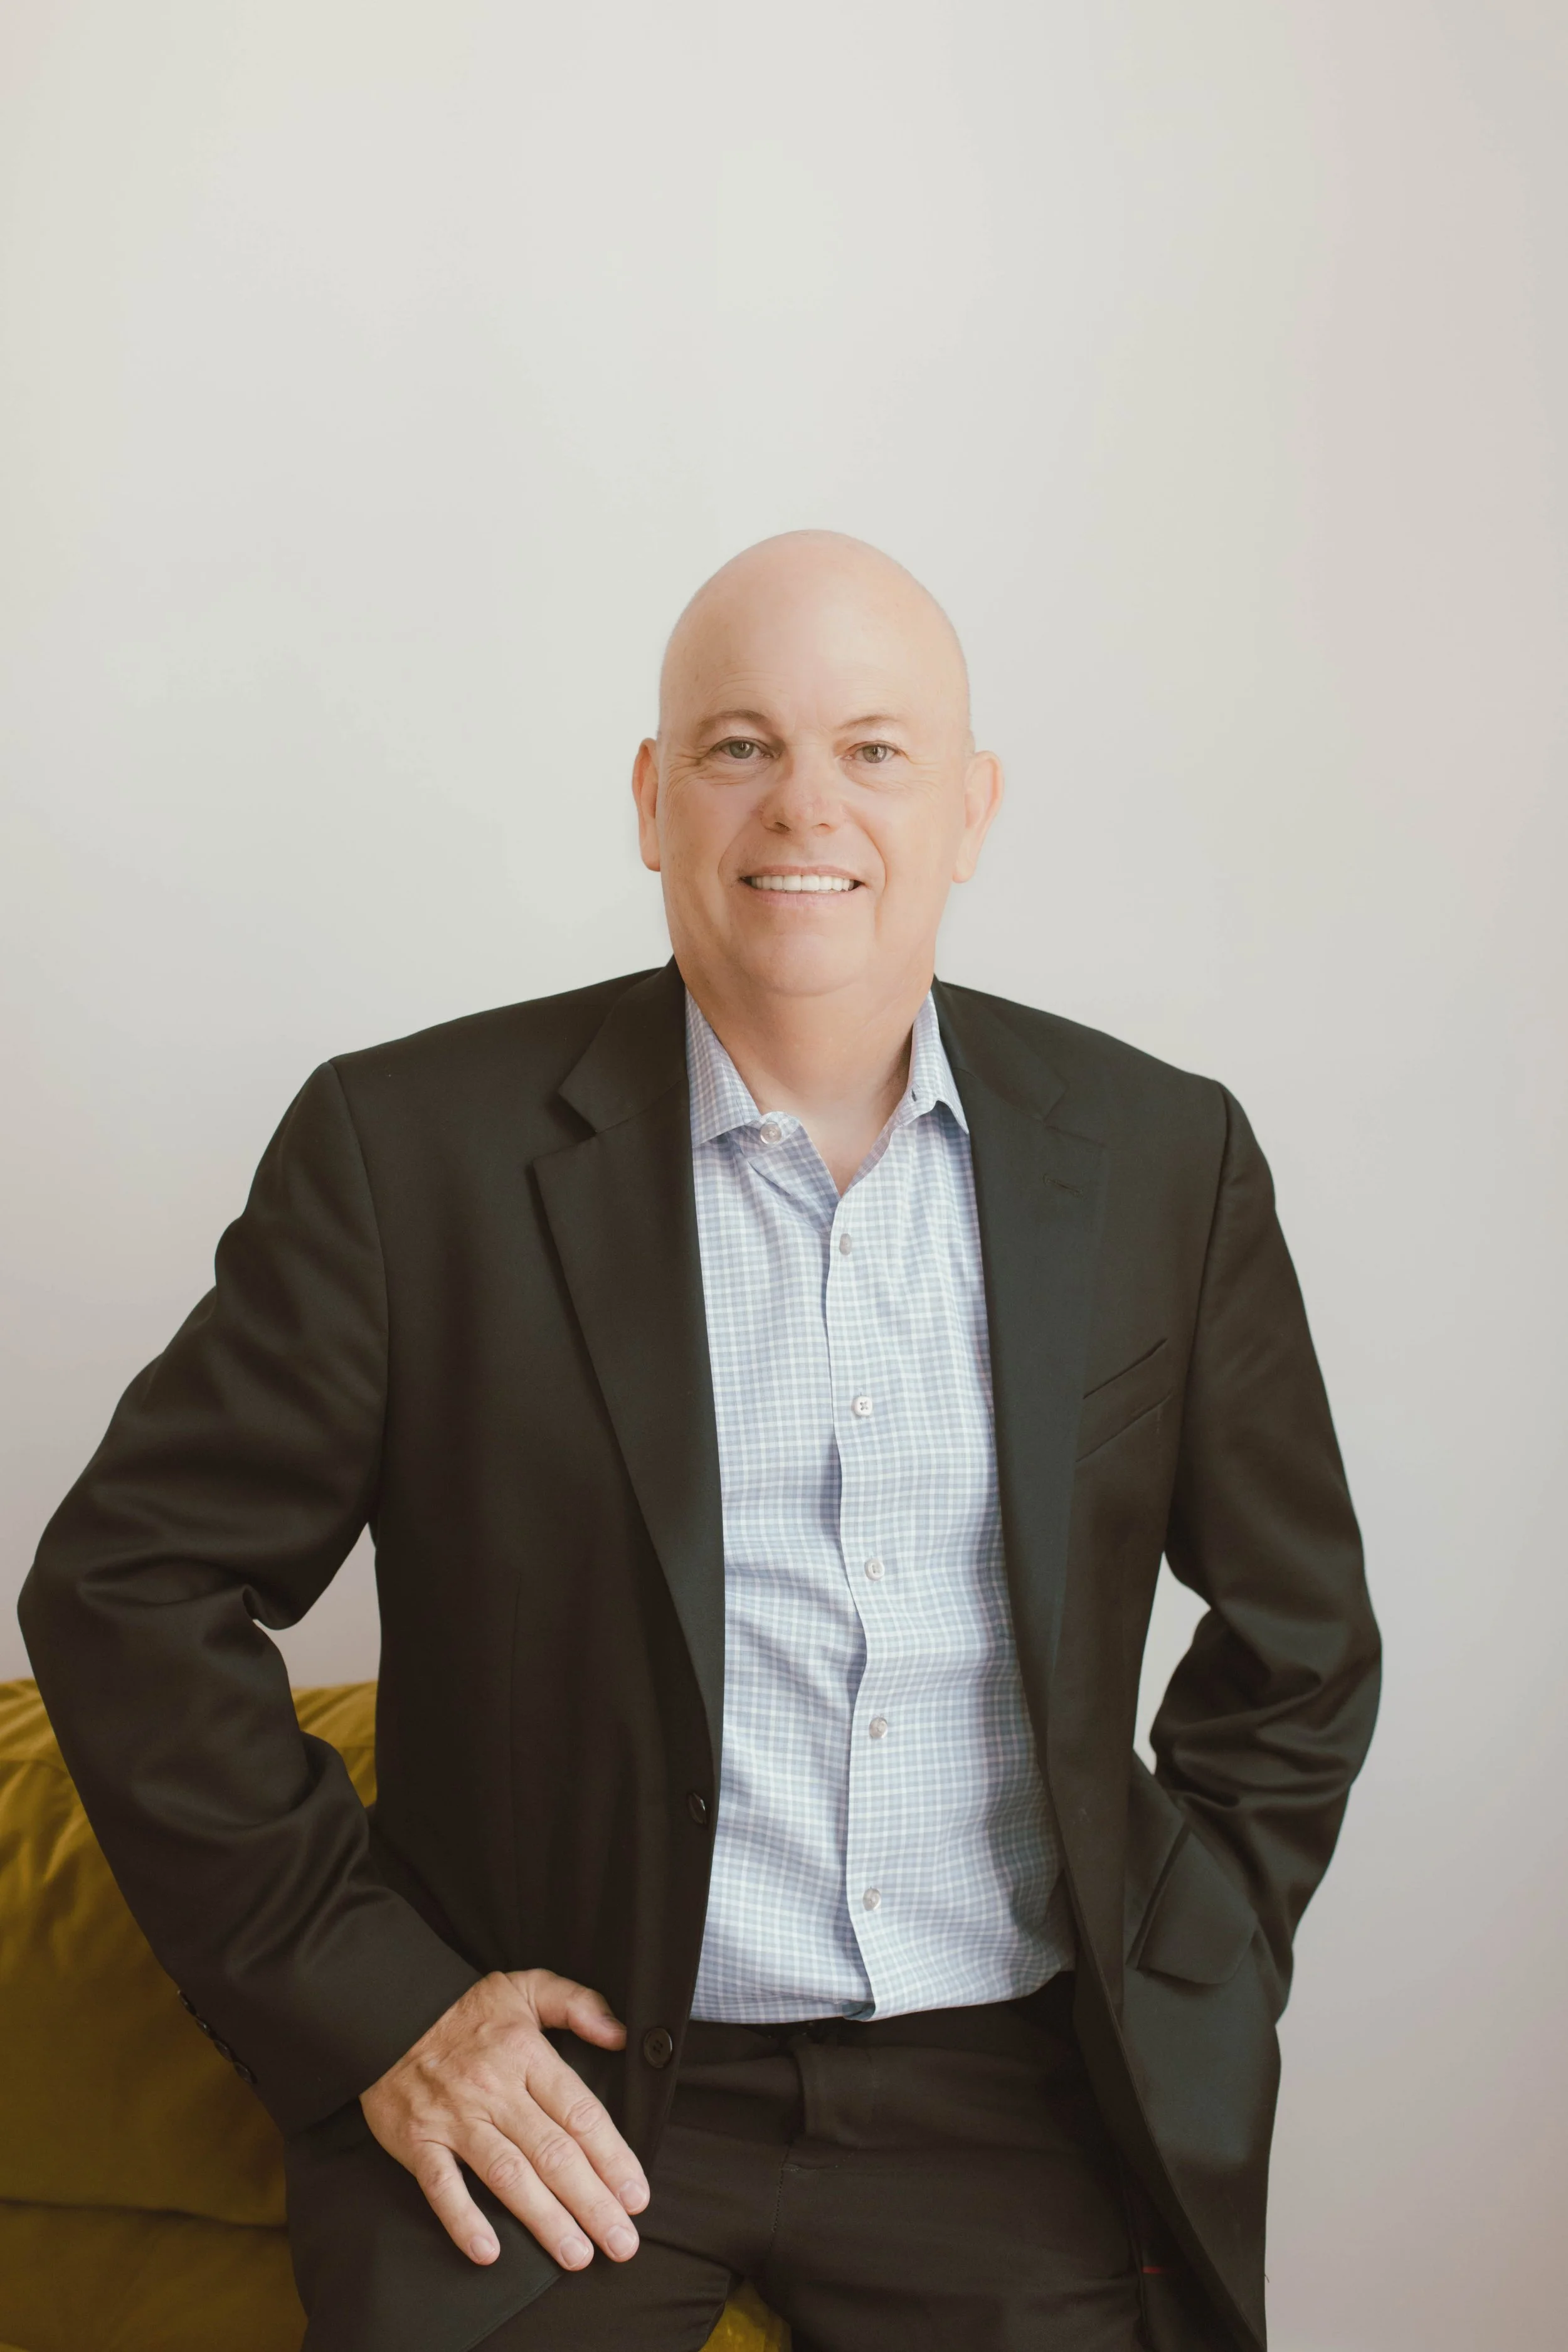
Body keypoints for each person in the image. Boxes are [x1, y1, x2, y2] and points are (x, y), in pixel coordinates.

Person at [20, 531, 1379, 2352]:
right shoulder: (405, 1151)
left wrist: (1189, 1955)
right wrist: (386, 2012)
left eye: (874, 749)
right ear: (655, 800)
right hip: (570, 2087)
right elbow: (130, 1582)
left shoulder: (1157, 1160)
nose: (801, 802)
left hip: (1011, 2097)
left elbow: (1300, 1642)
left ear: (968, 810)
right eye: (738, 744)